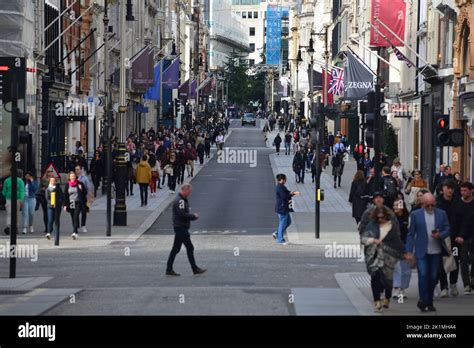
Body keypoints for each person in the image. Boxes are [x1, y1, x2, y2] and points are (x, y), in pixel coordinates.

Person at [405, 192, 450, 312]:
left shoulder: (441, 214)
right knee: (423, 275)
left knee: (433, 277)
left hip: (436, 251)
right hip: (421, 251)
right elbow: (410, 234)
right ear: (422, 204)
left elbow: (447, 229)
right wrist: (409, 251)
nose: (430, 207)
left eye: (432, 205)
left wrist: (440, 235)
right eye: (427, 205)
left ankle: (428, 301)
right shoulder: (415, 215)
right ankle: (424, 300)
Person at [361, 205, 405, 312]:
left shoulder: (392, 226)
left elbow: (397, 240)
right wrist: (373, 241)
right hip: (375, 256)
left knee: (387, 280)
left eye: (382, 217)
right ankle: (376, 301)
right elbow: (364, 239)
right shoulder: (372, 225)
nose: (380, 219)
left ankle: (387, 297)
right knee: (375, 278)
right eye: (378, 218)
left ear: (386, 217)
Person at [166, 184, 206, 276]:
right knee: (190, 247)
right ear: (185, 190)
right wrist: (193, 216)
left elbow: (182, 213)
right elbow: (182, 214)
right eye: (189, 191)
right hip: (181, 227)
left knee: (175, 249)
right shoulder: (180, 201)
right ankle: (194, 269)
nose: (190, 193)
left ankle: (169, 268)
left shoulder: (181, 200)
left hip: (179, 227)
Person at [436, 180, 461, 298]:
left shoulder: (458, 201)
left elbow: (462, 218)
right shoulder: (437, 202)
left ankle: (453, 283)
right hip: (441, 237)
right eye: (447, 187)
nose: (449, 190)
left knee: (455, 260)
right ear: (443, 188)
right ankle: (443, 286)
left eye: (451, 188)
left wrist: (461, 234)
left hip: (455, 236)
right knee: (442, 261)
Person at [454, 181, 474, 294]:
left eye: (465, 190)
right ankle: (466, 283)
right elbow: (455, 221)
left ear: (471, 191)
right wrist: (457, 235)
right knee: (464, 260)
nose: (463, 192)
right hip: (462, 236)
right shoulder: (458, 203)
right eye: (461, 190)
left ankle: (473, 278)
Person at [272, 174, 300, 245]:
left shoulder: (281, 186)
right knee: (282, 223)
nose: (285, 181)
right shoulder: (279, 187)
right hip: (282, 208)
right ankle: (280, 240)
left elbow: (287, 192)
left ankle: (277, 233)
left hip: (284, 208)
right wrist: (293, 193)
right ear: (282, 179)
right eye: (285, 179)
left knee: (288, 222)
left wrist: (292, 193)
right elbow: (284, 196)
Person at [392, 199, 411, 299]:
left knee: (405, 269)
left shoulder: (407, 218)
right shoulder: (391, 218)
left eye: (397, 205)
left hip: (405, 245)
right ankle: (396, 287)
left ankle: (402, 288)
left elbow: (410, 233)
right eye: (394, 205)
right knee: (395, 268)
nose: (395, 207)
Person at [63, 172, 87, 240]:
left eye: (73, 176)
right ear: (69, 177)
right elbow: (65, 195)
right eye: (71, 176)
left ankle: (75, 232)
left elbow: (85, 192)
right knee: (73, 216)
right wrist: (64, 205)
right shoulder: (68, 184)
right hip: (71, 202)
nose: (72, 177)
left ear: (75, 177)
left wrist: (81, 189)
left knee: (76, 216)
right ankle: (75, 228)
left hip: (78, 202)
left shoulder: (79, 183)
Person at [2, 170, 25, 235]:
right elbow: (22, 191)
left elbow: (4, 191)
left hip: (8, 198)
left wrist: (6, 195)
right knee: (16, 214)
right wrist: (21, 200)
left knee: (9, 213)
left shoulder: (7, 181)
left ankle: (9, 226)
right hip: (17, 199)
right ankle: (15, 227)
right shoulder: (20, 181)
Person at [75, 165, 93, 233]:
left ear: (80, 170)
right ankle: (77, 225)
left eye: (78, 169)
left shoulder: (84, 178)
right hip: (75, 198)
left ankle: (83, 226)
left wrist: (90, 197)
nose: (77, 171)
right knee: (76, 213)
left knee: (84, 212)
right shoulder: (74, 178)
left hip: (83, 197)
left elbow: (88, 188)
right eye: (76, 169)